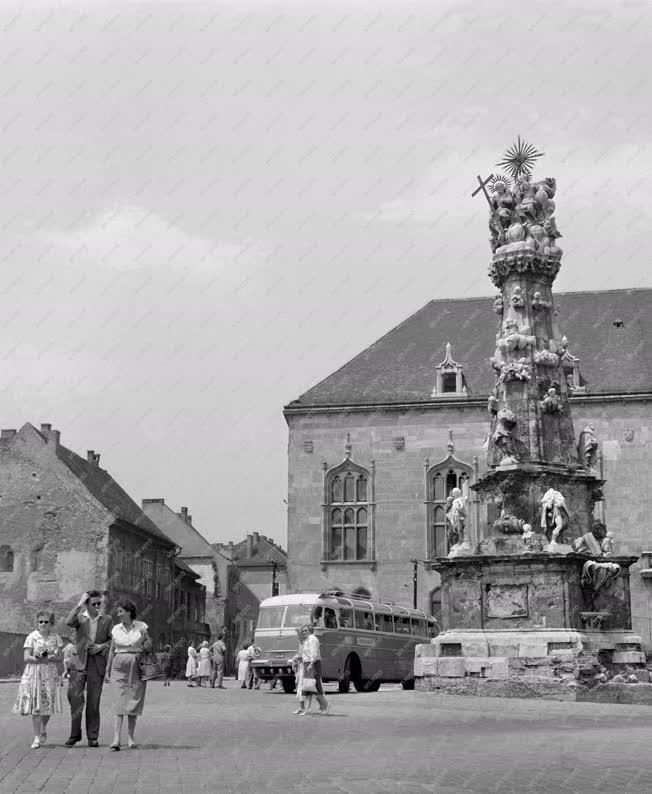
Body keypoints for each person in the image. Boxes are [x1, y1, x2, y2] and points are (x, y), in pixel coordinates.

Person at [64, 590, 114, 747]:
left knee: (94, 702)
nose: (97, 606)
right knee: (75, 699)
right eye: (94, 603)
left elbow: (113, 642)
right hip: (78, 663)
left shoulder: (107, 619)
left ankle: (93, 736)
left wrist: (100, 647)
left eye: (99, 603)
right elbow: (68, 622)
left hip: (96, 664)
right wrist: (79, 605)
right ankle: (75, 734)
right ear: (87, 604)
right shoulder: (80, 617)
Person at [104, 599, 152, 750]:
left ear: (129, 611)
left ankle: (131, 738)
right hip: (118, 666)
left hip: (137, 665)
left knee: (133, 703)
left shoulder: (142, 626)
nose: (118, 614)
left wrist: (147, 641)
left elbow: (149, 648)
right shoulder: (115, 629)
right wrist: (107, 670)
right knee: (118, 703)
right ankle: (116, 739)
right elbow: (112, 650)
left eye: (120, 611)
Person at [13, 611, 64, 748]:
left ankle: (43, 727)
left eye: (46, 621)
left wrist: (53, 657)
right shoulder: (32, 636)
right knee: (36, 707)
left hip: (50, 674)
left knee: (48, 707)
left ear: (51, 623)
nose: (43, 624)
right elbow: (26, 657)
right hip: (34, 672)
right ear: (37, 623)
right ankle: (36, 738)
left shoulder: (56, 637)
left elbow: (60, 658)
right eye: (40, 621)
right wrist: (38, 658)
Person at [299, 624, 329, 715]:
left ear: (310, 630)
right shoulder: (308, 639)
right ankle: (319, 706)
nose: (303, 632)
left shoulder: (312, 639)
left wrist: (311, 663)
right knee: (311, 685)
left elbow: (314, 652)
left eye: (305, 630)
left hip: (313, 663)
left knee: (313, 685)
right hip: (308, 663)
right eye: (303, 630)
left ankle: (324, 705)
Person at [291, 627, 312, 716]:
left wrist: (294, 660)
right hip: (301, 666)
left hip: (305, 666)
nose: (298, 636)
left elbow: (302, 654)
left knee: (305, 687)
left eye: (299, 634)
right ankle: (302, 707)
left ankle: (307, 708)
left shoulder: (306, 642)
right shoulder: (302, 642)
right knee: (299, 686)